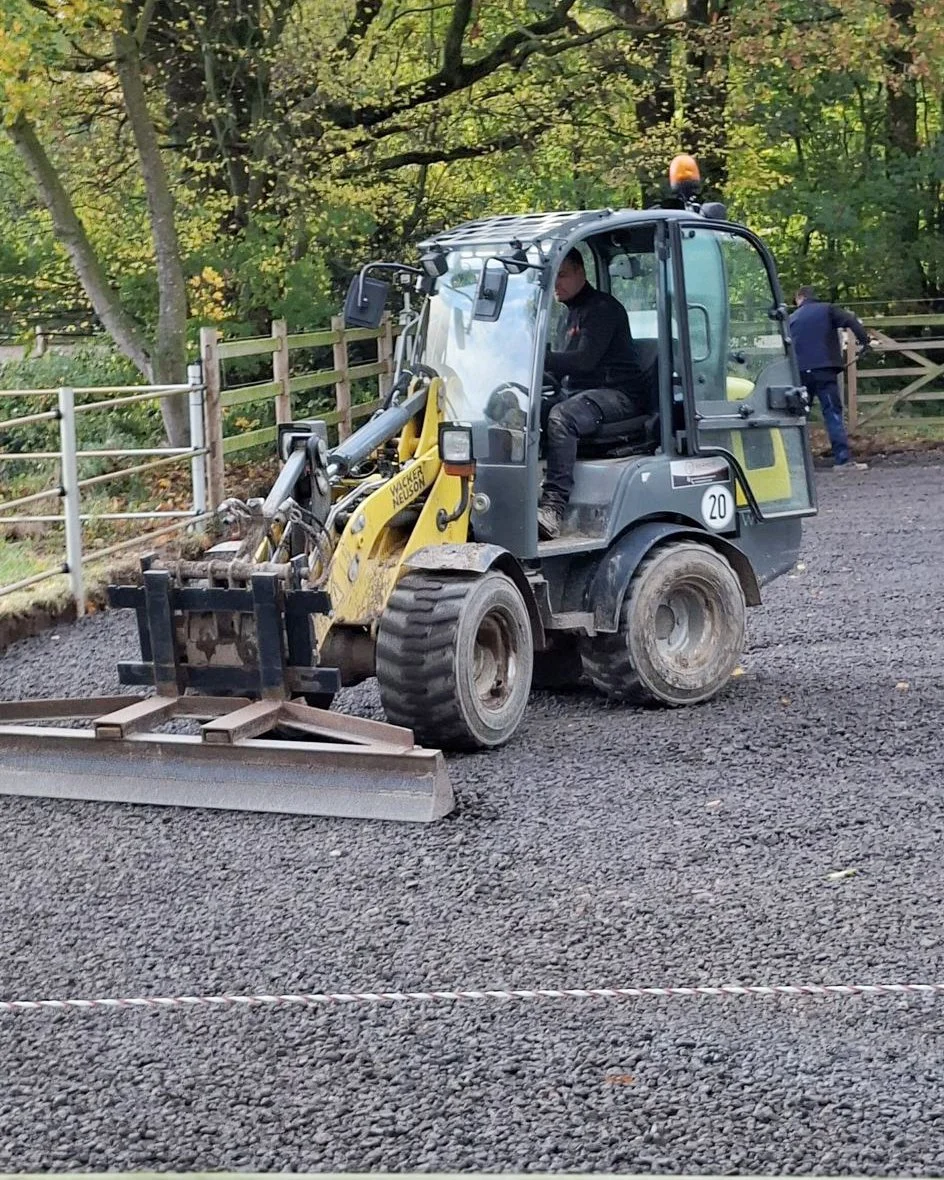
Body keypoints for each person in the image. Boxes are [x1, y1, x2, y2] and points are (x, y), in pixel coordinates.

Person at [537, 249, 648, 540]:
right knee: (525, 408)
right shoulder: (568, 314)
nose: (556, 284)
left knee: (562, 416)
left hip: (619, 395)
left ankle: (553, 507)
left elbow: (584, 360)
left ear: (580, 273)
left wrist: (538, 357)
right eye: (552, 277)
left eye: (561, 276)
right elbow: (561, 371)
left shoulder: (602, 309)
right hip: (583, 394)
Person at [789, 285, 870, 471]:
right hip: (824, 370)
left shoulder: (792, 318)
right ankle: (842, 460)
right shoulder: (827, 310)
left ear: (799, 298)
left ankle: (795, 463)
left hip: (800, 372)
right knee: (832, 413)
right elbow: (851, 320)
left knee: (799, 416)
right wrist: (865, 342)